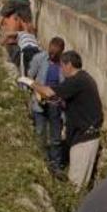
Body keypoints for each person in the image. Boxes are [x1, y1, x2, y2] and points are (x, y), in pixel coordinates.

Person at [27, 50, 103, 188]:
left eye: (62, 66)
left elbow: (49, 92)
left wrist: (30, 82)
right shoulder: (84, 78)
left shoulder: (76, 81)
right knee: (76, 180)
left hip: (85, 138)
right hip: (83, 136)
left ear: (69, 65)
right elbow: (69, 100)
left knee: (75, 185)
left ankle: (74, 208)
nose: (61, 71)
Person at [28, 37, 66, 173]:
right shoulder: (39, 59)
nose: (52, 56)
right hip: (39, 103)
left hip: (55, 105)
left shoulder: (64, 64)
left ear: (62, 52)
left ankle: (55, 165)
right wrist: (37, 92)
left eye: (56, 54)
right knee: (40, 132)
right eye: (51, 53)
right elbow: (29, 77)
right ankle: (42, 163)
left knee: (55, 137)